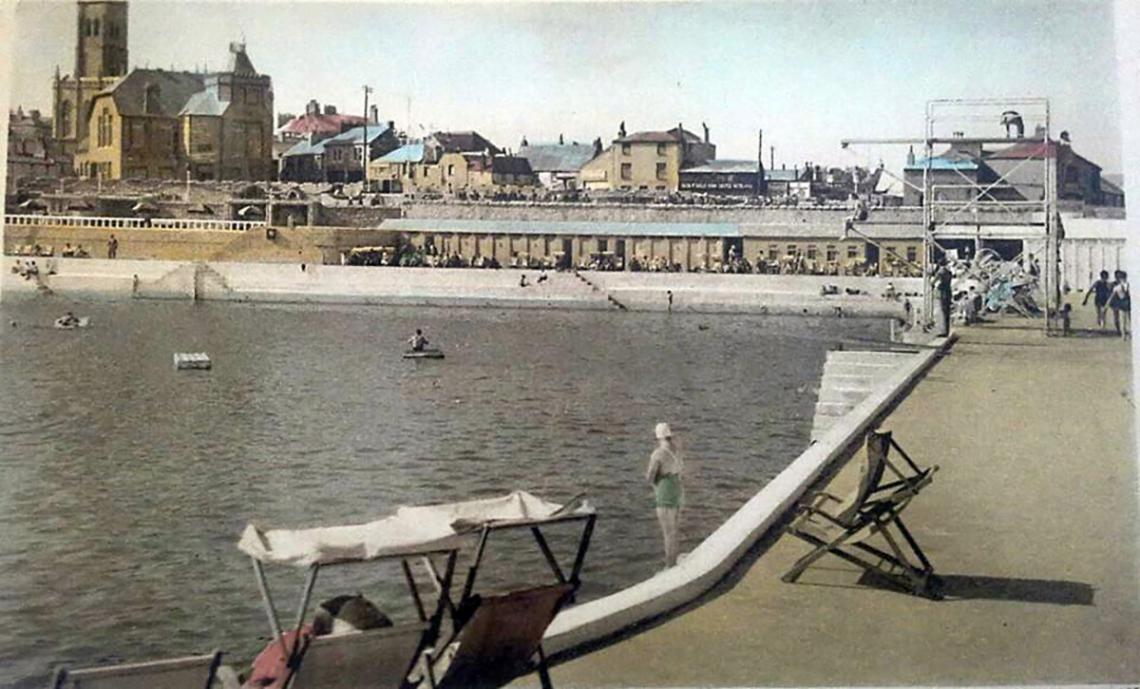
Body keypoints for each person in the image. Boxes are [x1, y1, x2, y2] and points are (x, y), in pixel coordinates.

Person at [646, 422, 683, 568]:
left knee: (667, 532)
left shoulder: (658, 454)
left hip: (664, 492)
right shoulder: (676, 450)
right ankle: (674, 558)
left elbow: (650, 476)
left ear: (657, 437)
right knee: (674, 529)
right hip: (676, 490)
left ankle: (670, 565)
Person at [1109, 270, 1131, 339]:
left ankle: (1123, 335)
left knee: (1123, 320)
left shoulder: (1117, 287)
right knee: (1130, 319)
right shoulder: (1130, 285)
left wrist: (1106, 306)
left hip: (1122, 304)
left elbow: (1111, 297)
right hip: (1129, 303)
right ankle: (1130, 334)